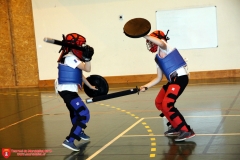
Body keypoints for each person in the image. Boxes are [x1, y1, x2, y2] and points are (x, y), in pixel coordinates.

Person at [139, 30, 195, 141]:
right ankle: (176, 126)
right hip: (173, 81)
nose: (150, 44)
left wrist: (143, 35)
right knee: (159, 102)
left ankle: (186, 130)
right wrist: (146, 86)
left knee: (167, 104)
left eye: (151, 40)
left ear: (159, 39)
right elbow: (158, 78)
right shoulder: (158, 58)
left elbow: (161, 43)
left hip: (180, 79)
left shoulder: (166, 47)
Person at [55, 33, 97, 151]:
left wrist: (90, 86)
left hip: (66, 90)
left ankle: (79, 132)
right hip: (68, 92)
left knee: (75, 113)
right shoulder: (70, 58)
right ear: (76, 46)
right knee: (84, 114)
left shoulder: (68, 57)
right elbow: (87, 69)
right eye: (81, 45)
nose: (83, 47)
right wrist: (88, 58)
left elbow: (80, 74)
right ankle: (70, 140)